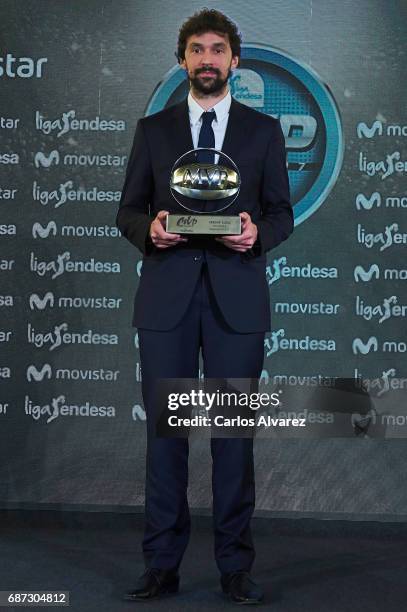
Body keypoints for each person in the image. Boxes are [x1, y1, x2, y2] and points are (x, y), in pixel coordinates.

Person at [116, 8, 293, 605]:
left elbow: (280, 214)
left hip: (235, 299)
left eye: (219, 49)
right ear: (183, 60)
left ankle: (234, 569)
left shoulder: (263, 132)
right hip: (166, 299)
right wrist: (152, 229)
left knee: (231, 441)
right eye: (198, 49)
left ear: (235, 62)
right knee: (166, 438)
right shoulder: (154, 130)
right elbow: (127, 211)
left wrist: (255, 235)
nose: (208, 59)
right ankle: (161, 565)